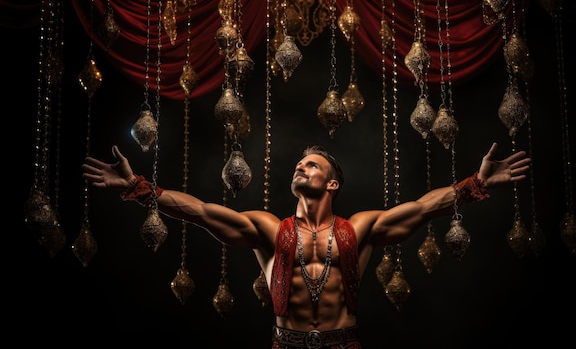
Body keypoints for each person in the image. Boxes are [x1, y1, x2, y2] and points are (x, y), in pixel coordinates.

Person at [82, 142, 530, 349]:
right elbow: (199, 211)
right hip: (286, 344)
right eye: (298, 164)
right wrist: (140, 188)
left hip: (344, 344)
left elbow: (420, 208)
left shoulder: (360, 227)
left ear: (331, 181)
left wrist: (475, 184)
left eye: (311, 165)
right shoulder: (268, 229)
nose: (301, 167)